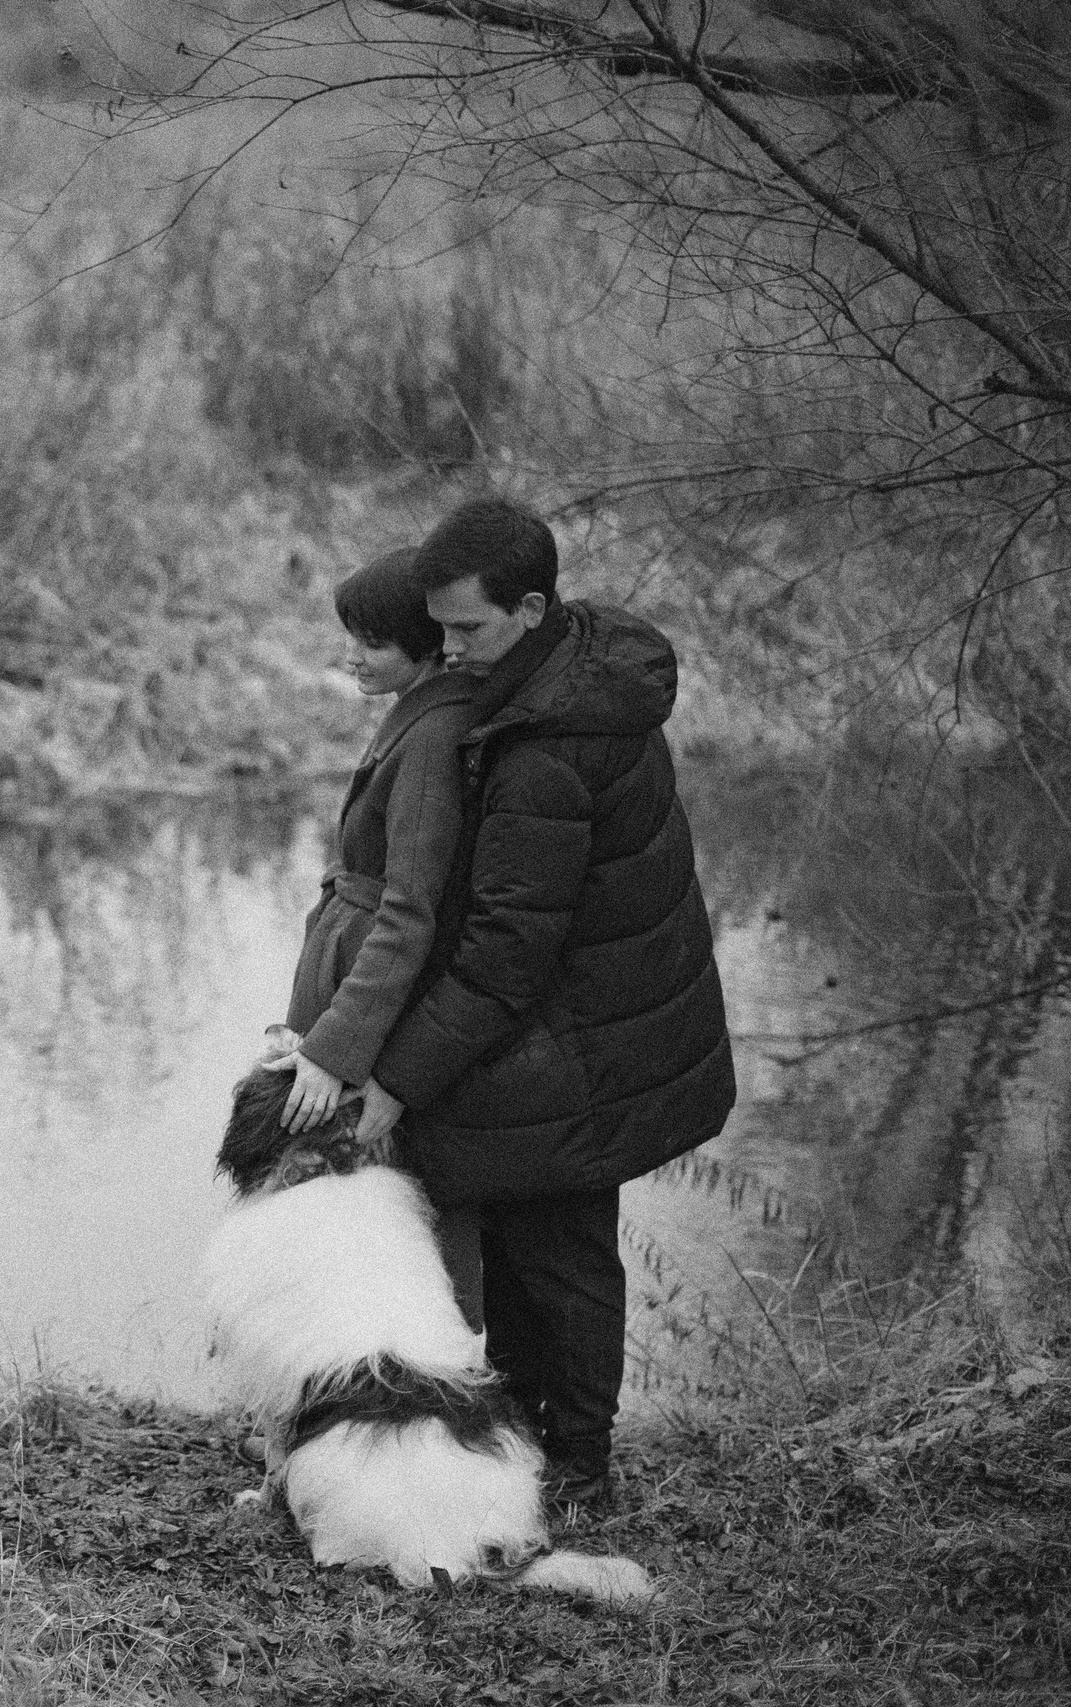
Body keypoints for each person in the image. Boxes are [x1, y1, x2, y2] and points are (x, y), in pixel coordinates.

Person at [352, 496, 736, 1503]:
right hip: (569, 1023)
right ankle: (526, 1439)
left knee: (560, 1252)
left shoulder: (550, 745)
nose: (449, 650)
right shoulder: (554, 678)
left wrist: (394, 1078)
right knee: (527, 1234)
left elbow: (505, 956)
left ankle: (575, 1466)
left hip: (584, 1038)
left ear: (530, 607)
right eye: (437, 630)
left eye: (467, 629)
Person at [256, 548, 485, 1319]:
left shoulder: (430, 738)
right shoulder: (414, 714)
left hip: (381, 1013)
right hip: (354, 986)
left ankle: (419, 1380)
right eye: (348, 634)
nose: (351, 655)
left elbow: (410, 911)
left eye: (373, 641)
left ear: (430, 645)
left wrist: (337, 1047)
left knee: (400, 1204)